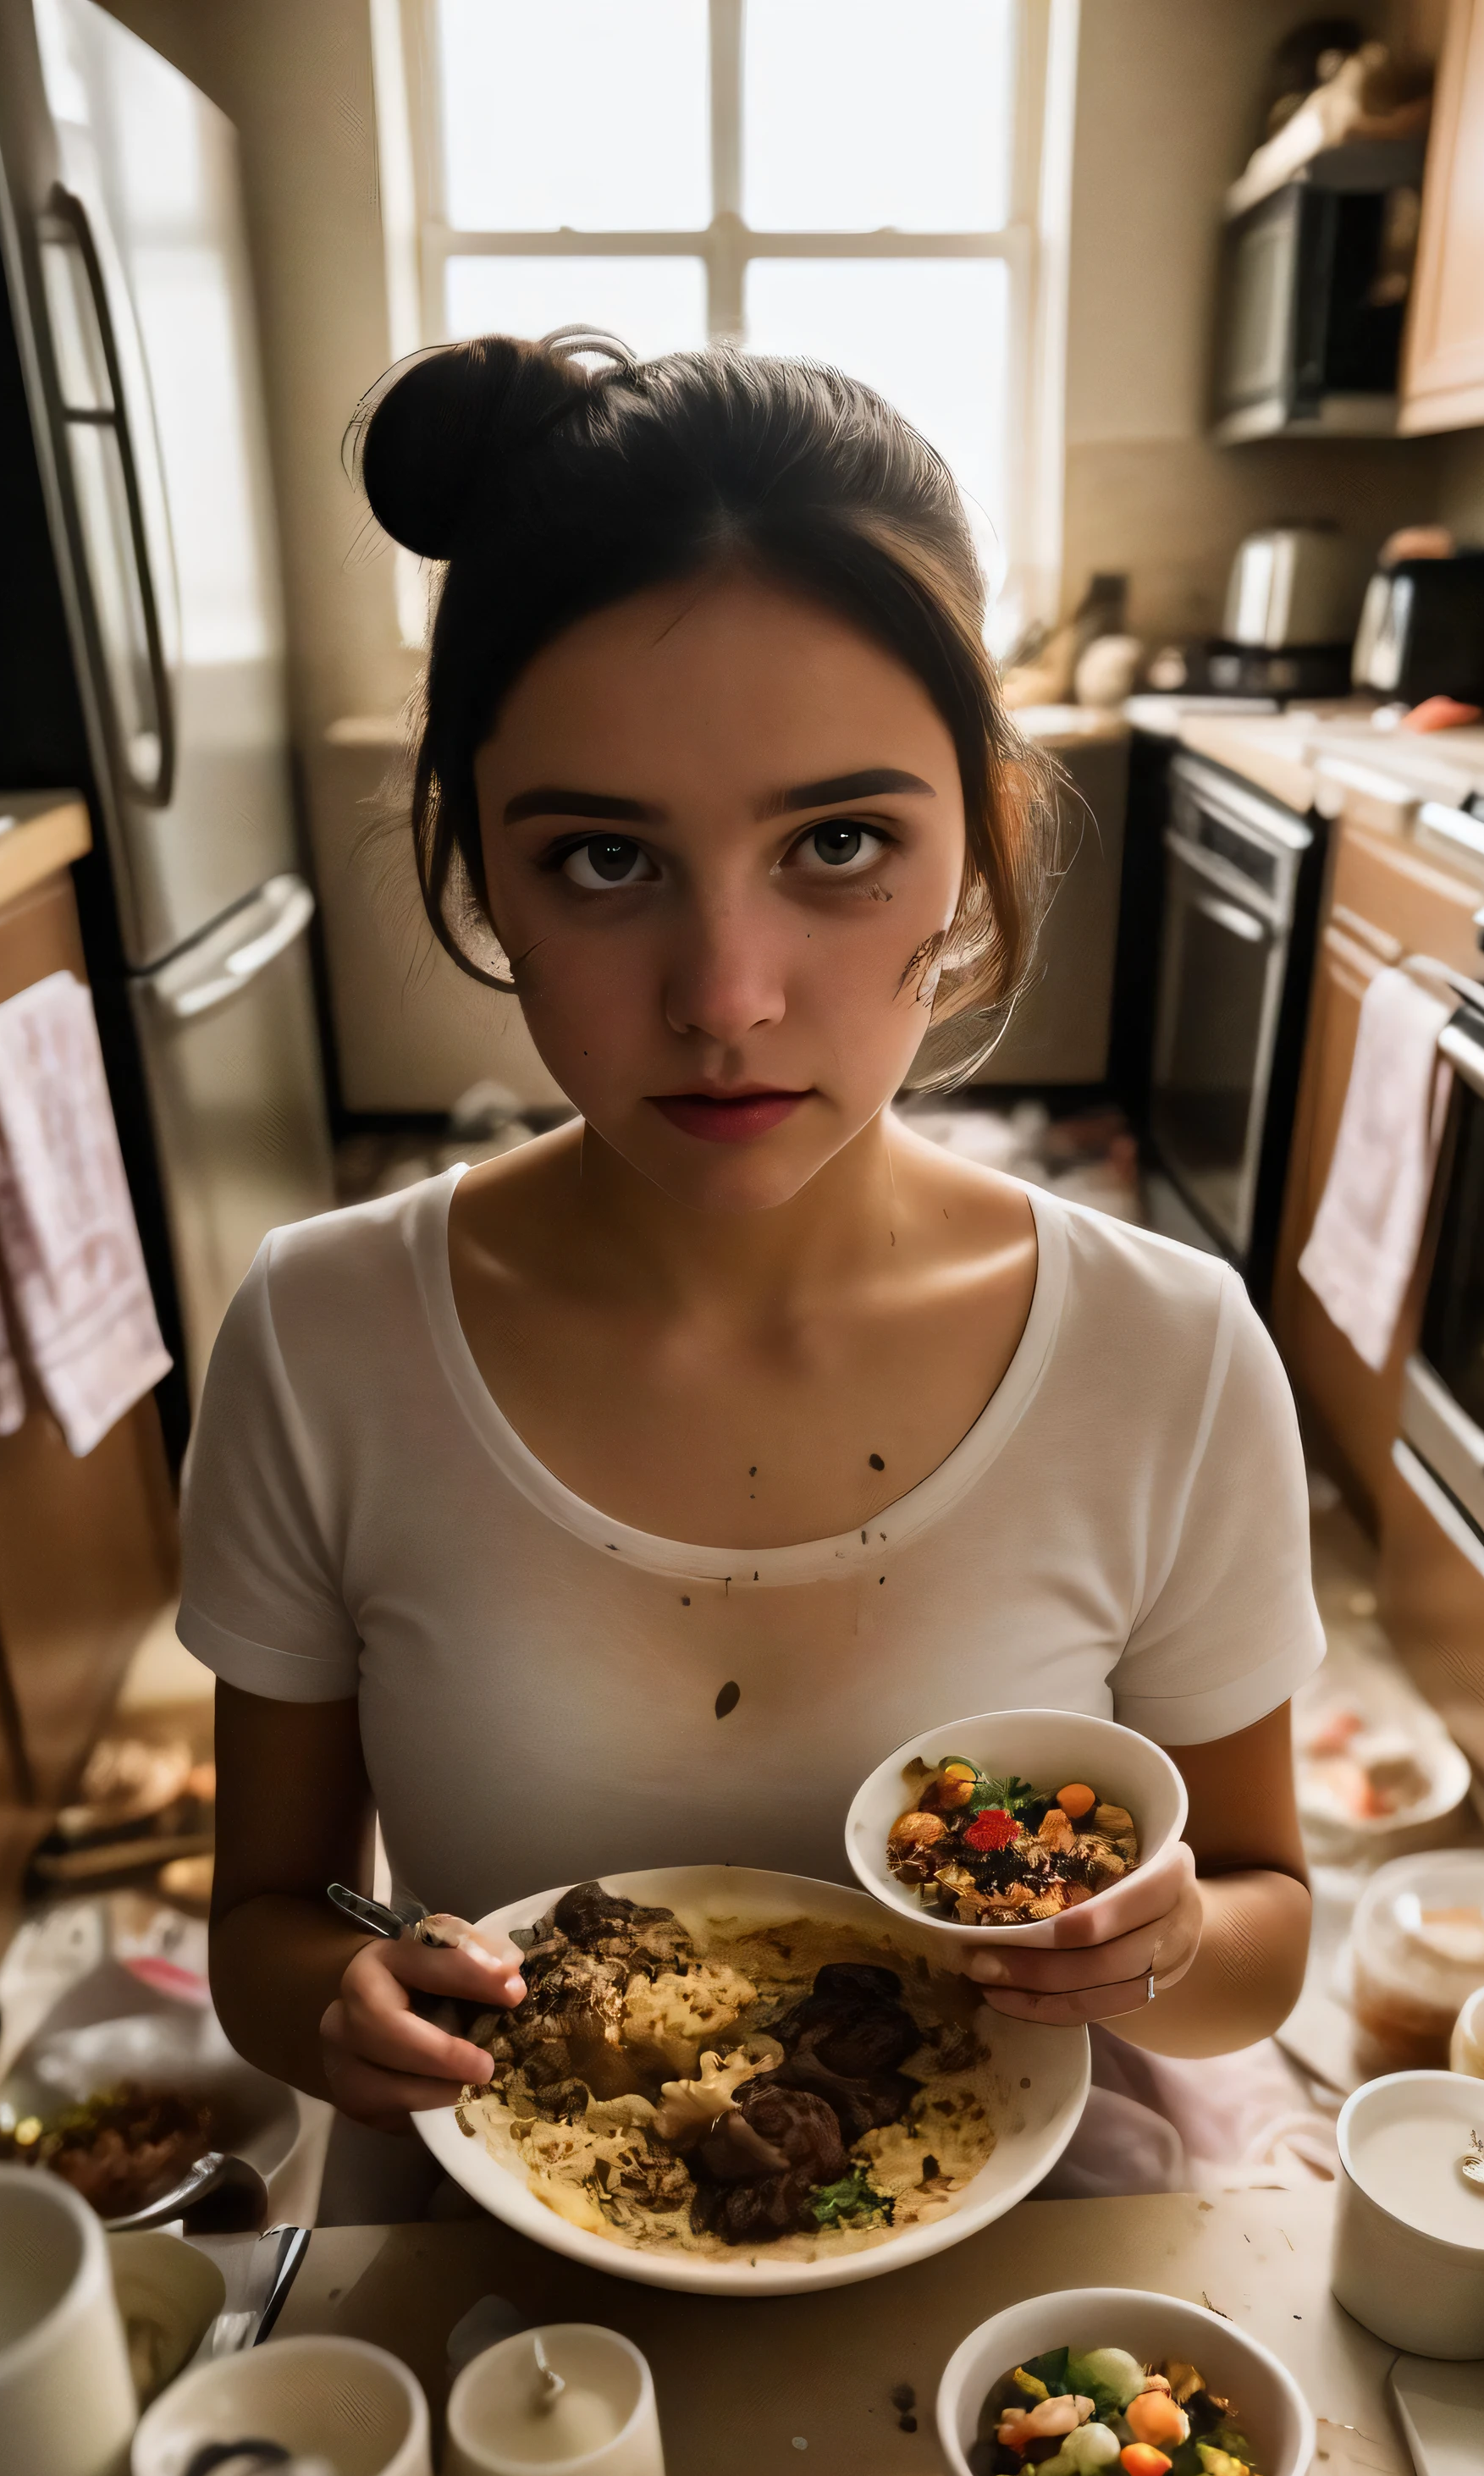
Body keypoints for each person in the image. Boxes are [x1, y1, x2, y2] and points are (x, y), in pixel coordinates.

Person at [179, 331, 1321, 2197]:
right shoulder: (322, 1338)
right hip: (509, 2285)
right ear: (481, 869)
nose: (725, 1000)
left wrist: (1166, 1947)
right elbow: (265, 1920)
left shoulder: (1168, 1356)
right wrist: (334, 1998)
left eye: (841, 840)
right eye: (604, 862)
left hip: (999, 2312)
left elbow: (1263, 1925)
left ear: (982, 845)